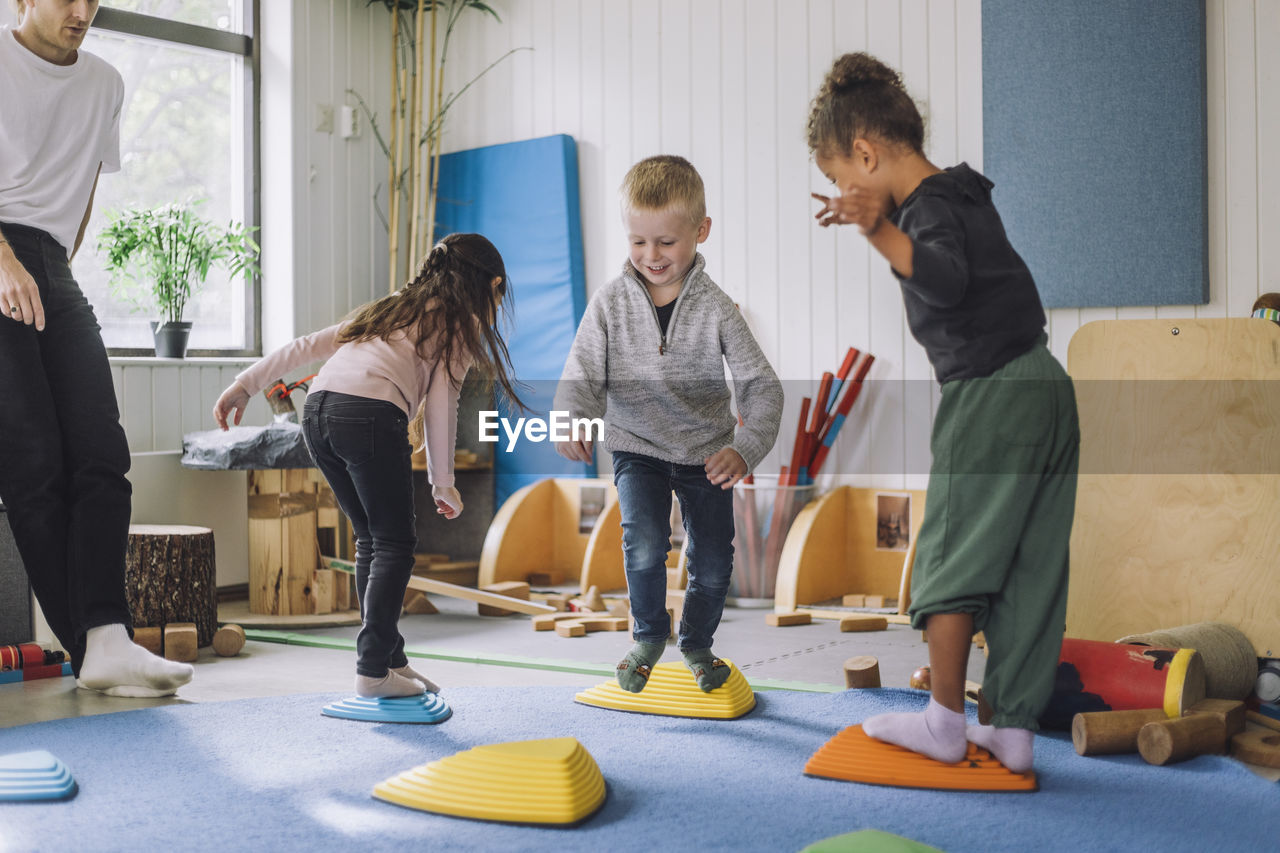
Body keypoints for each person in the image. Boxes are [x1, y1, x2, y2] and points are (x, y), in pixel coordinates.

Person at [807, 52, 1079, 773]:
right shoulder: (964, 192)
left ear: (866, 152)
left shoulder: (922, 212)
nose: (845, 191)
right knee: (1028, 566)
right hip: (1045, 379)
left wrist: (878, 232)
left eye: (841, 177)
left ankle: (945, 720)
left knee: (952, 552)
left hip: (991, 393)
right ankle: (1012, 726)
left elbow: (949, 281)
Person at [213, 233, 522, 699]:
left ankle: (389, 659)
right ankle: (372, 669)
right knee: (395, 543)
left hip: (317, 414)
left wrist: (245, 384)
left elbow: (305, 347)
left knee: (372, 543)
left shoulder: (392, 306)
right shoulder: (459, 325)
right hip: (369, 415)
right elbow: (443, 402)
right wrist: (444, 483)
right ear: (492, 284)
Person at [0, 0, 193, 697]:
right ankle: (91, 646)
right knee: (33, 463)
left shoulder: (104, 83)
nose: (82, 11)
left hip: (50, 263)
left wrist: (51, 265)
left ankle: (109, 635)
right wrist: (5, 261)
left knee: (103, 454)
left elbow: (78, 195)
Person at [554, 155, 783, 693]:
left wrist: (746, 447)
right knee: (644, 540)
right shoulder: (609, 303)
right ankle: (648, 637)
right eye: (638, 242)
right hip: (636, 445)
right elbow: (582, 371)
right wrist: (573, 419)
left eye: (666, 242)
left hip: (708, 451)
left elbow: (762, 386)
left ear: (701, 232)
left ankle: (698, 644)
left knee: (713, 559)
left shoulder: (719, 310)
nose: (651, 256)